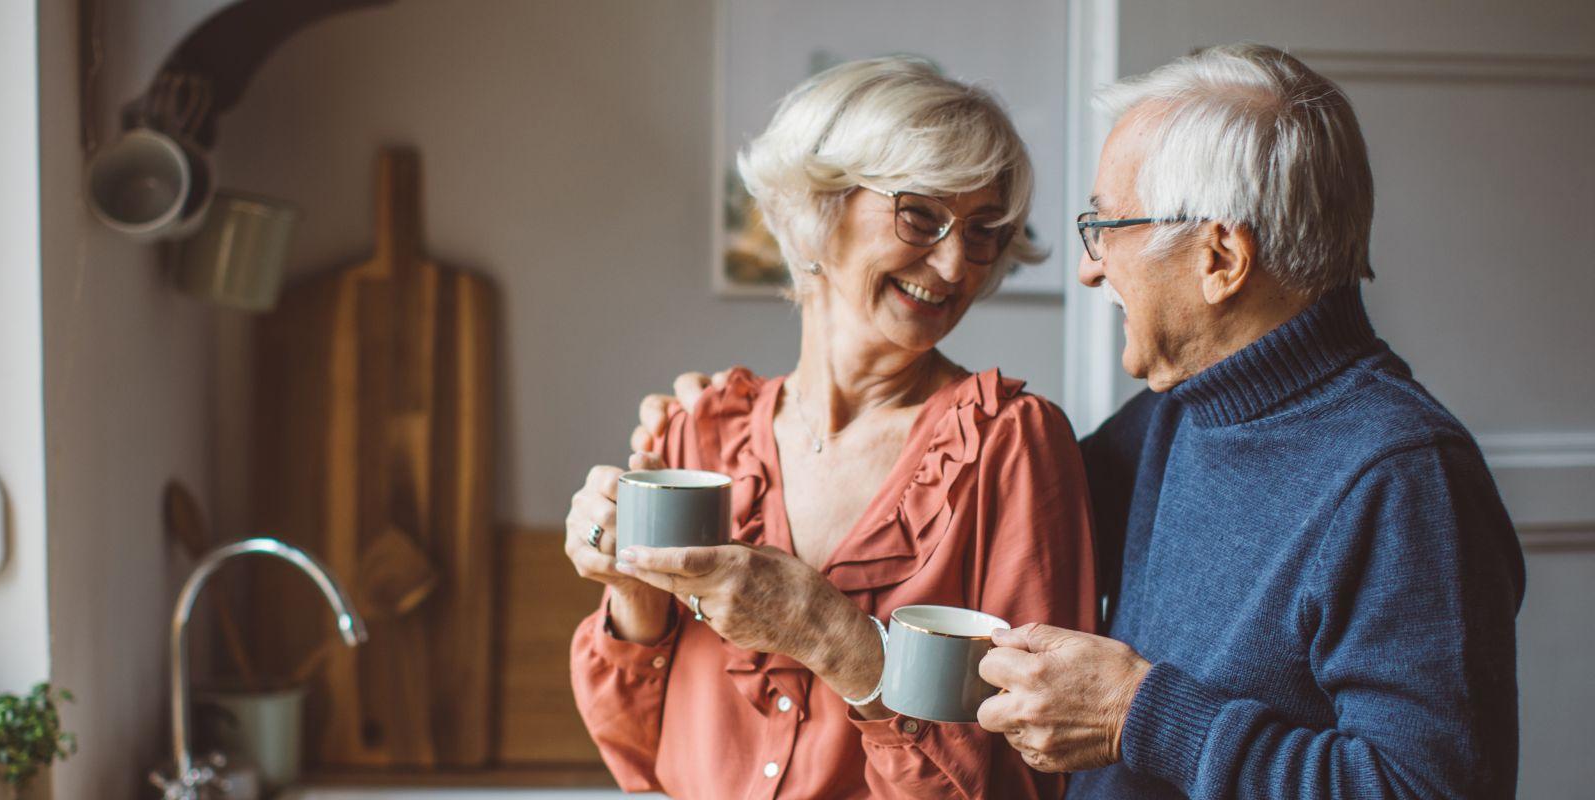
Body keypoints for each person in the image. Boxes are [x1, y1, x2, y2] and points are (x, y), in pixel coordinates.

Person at [648, 43, 1526, 800]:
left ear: (1220, 257)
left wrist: (1142, 714)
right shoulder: (1175, 421)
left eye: (1106, 227)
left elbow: (1427, 788)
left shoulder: (1405, 477)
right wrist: (727, 420)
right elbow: (944, 492)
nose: (1088, 271)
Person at [564, 56, 1096, 799]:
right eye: (921, 214)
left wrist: (831, 635)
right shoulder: (700, 430)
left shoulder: (1010, 446)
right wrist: (630, 590)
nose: (953, 266)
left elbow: (1026, 780)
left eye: (983, 232)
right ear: (819, 205)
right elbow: (639, 757)